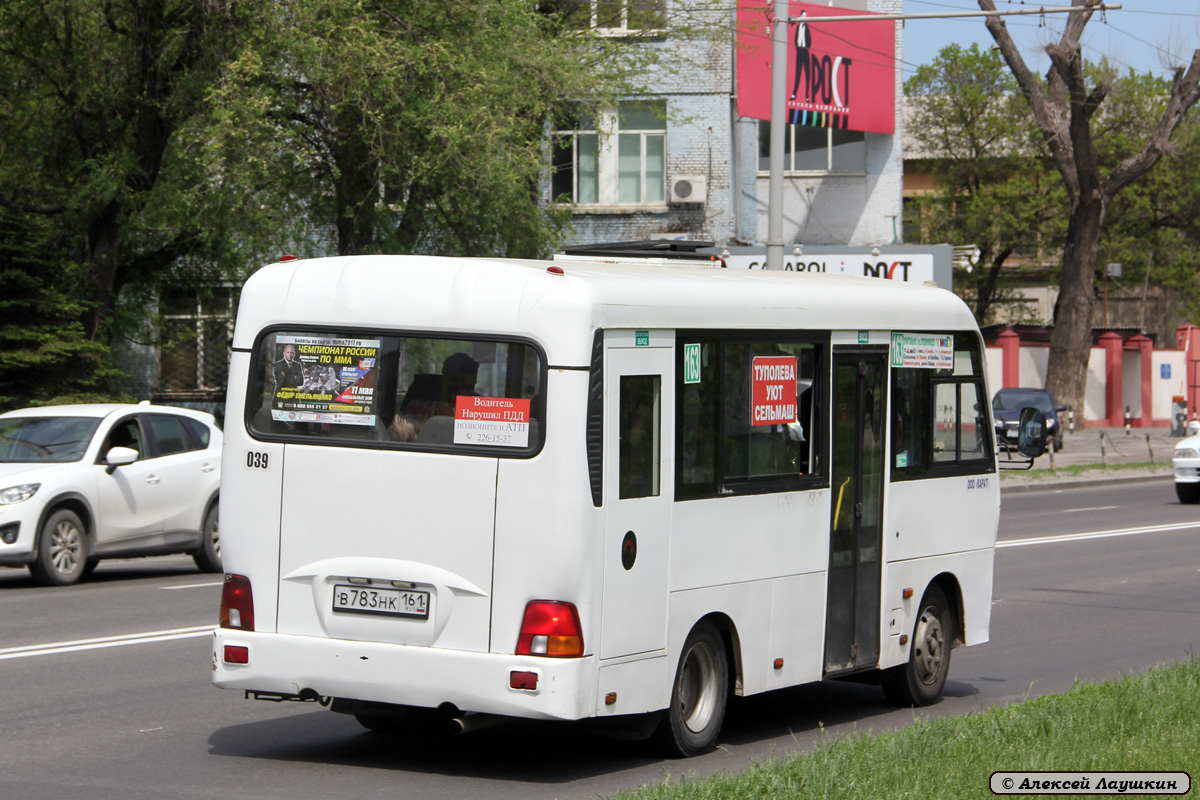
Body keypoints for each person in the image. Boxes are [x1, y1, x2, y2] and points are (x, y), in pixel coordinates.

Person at [405, 352, 480, 423]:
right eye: (460, 382)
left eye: (472, 384)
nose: (466, 390)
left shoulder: (478, 405)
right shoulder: (422, 403)